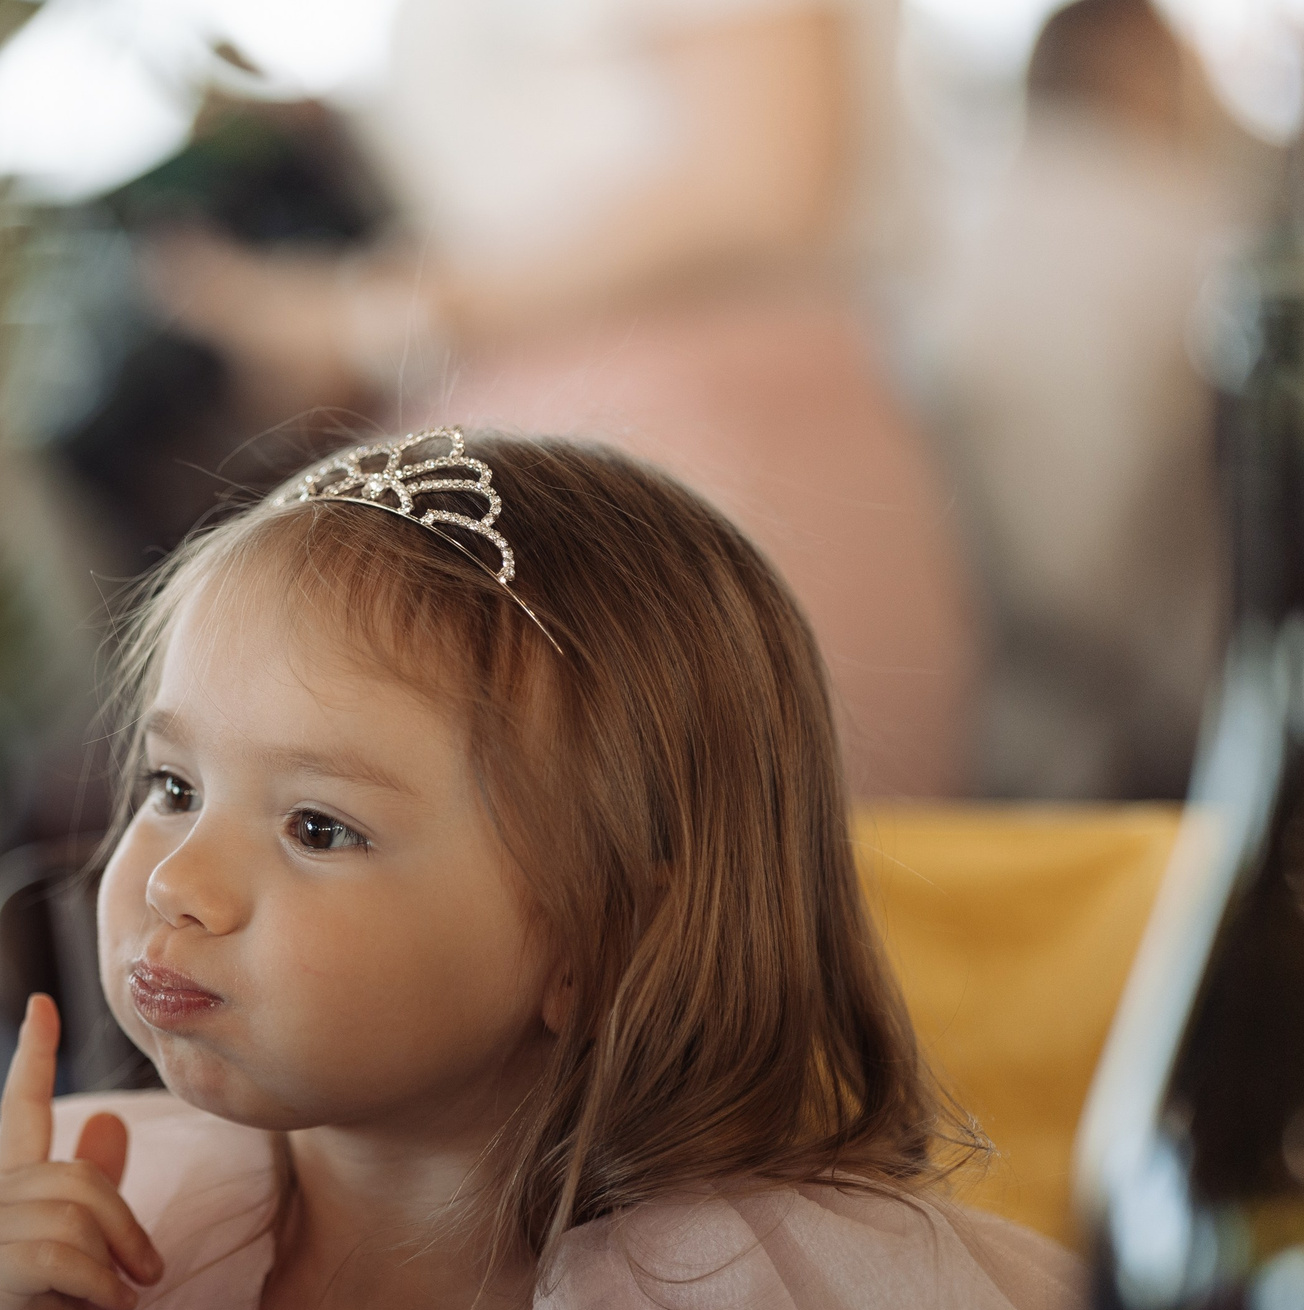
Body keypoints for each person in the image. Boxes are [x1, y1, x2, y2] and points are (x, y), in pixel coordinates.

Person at [0, 429, 1078, 1310]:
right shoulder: (90, 1238)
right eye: (173, 785)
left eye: (318, 827)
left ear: (600, 933)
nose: (173, 881)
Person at [146, 0, 979, 800]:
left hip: (691, 452)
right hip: (628, 445)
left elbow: (764, 180)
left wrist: (364, 313)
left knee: (718, 861)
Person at [928, 0, 1259, 800]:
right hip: (1175, 717)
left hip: (990, 697)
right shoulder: (1199, 232)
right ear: (1144, 79)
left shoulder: (953, 230)